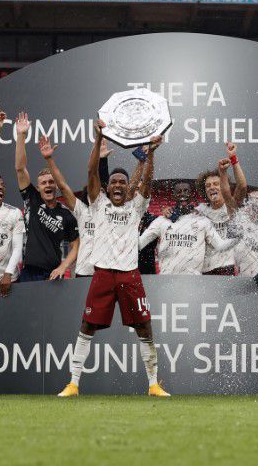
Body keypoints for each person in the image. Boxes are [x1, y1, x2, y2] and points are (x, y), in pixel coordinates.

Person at [57, 120, 168, 398]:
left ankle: (154, 384)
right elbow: (90, 170)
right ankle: (73, 383)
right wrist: (97, 139)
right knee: (87, 326)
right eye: (114, 182)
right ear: (108, 188)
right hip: (103, 274)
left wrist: (151, 153)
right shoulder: (98, 204)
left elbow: (147, 180)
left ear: (126, 187)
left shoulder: (136, 207)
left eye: (122, 182)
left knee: (144, 325)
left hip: (130, 274)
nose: (118, 185)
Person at [41, 134, 142, 278]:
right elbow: (63, 186)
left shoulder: (112, 209)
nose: (98, 194)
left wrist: (103, 160)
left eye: (101, 192)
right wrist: (49, 159)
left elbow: (129, 191)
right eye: (95, 191)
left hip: (108, 273)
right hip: (83, 272)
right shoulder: (82, 211)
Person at [13, 111, 80, 281]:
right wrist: (21, 135)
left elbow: (76, 245)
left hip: (52, 274)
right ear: (38, 187)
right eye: (44, 183)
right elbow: (20, 168)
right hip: (29, 271)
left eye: (51, 182)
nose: (48, 185)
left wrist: (63, 267)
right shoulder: (32, 199)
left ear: (57, 186)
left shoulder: (66, 214)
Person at [195, 142, 247, 276]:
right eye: (208, 186)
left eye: (216, 184)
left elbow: (242, 186)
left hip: (225, 268)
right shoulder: (199, 212)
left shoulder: (230, 207)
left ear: (224, 186)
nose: (211, 187)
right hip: (203, 271)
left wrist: (233, 159)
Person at [138, 206, 238, 275]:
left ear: (191, 195)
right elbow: (139, 244)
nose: (183, 194)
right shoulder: (161, 220)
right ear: (174, 195)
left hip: (193, 282)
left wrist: (238, 237)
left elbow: (220, 246)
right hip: (166, 280)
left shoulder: (203, 221)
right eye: (179, 192)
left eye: (186, 191)